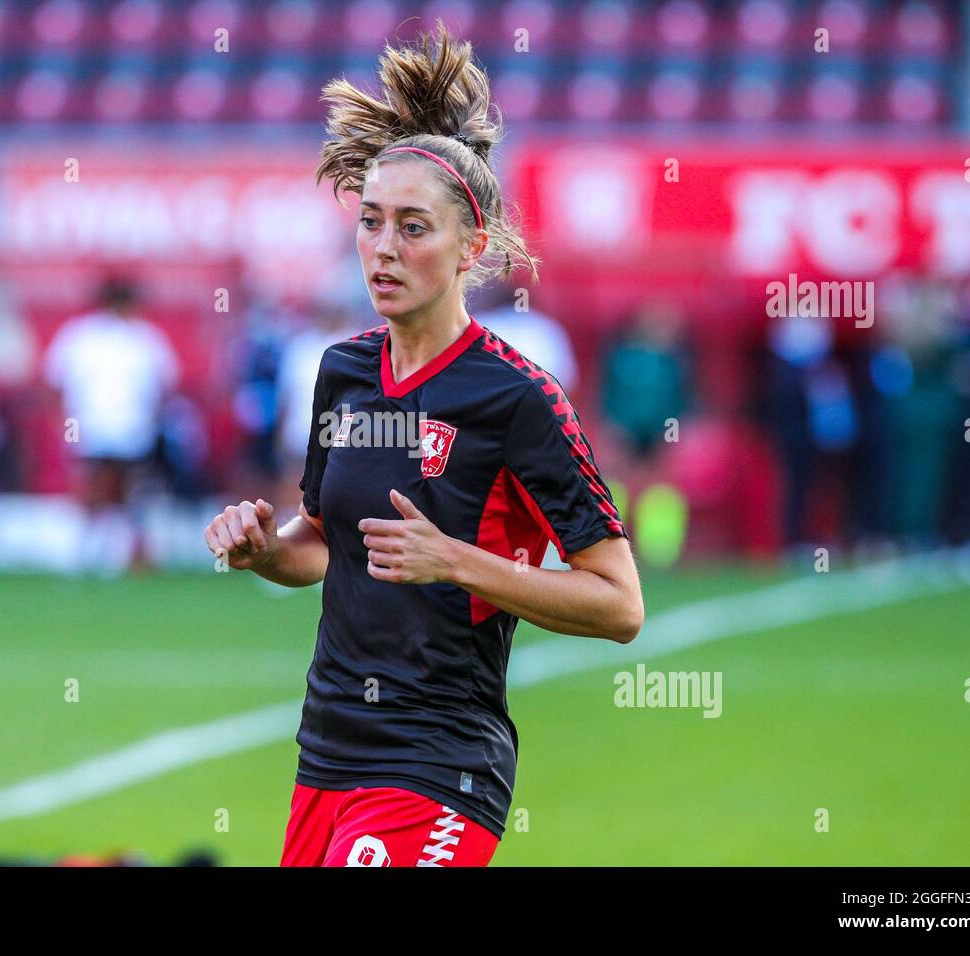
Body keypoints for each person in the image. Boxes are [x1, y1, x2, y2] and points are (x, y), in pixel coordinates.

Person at [203, 23, 643, 868]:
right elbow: (328, 544)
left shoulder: (518, 398)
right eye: (371, 223)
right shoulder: (343, 372)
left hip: (440, 762)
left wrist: (460, 562)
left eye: (413, 227)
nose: (383, 248)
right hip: (327, 753)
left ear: (472, 246)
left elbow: (620, 604)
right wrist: (263, 551)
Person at [44, 277, 180, 575]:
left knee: (125, 494)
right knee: (97, 491)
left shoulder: (142, 338)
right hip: (97, 428)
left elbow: (165, 386)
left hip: (128, 430)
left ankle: (117, 554)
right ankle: (86, 551)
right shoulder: (85, 336)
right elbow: (56, 382)